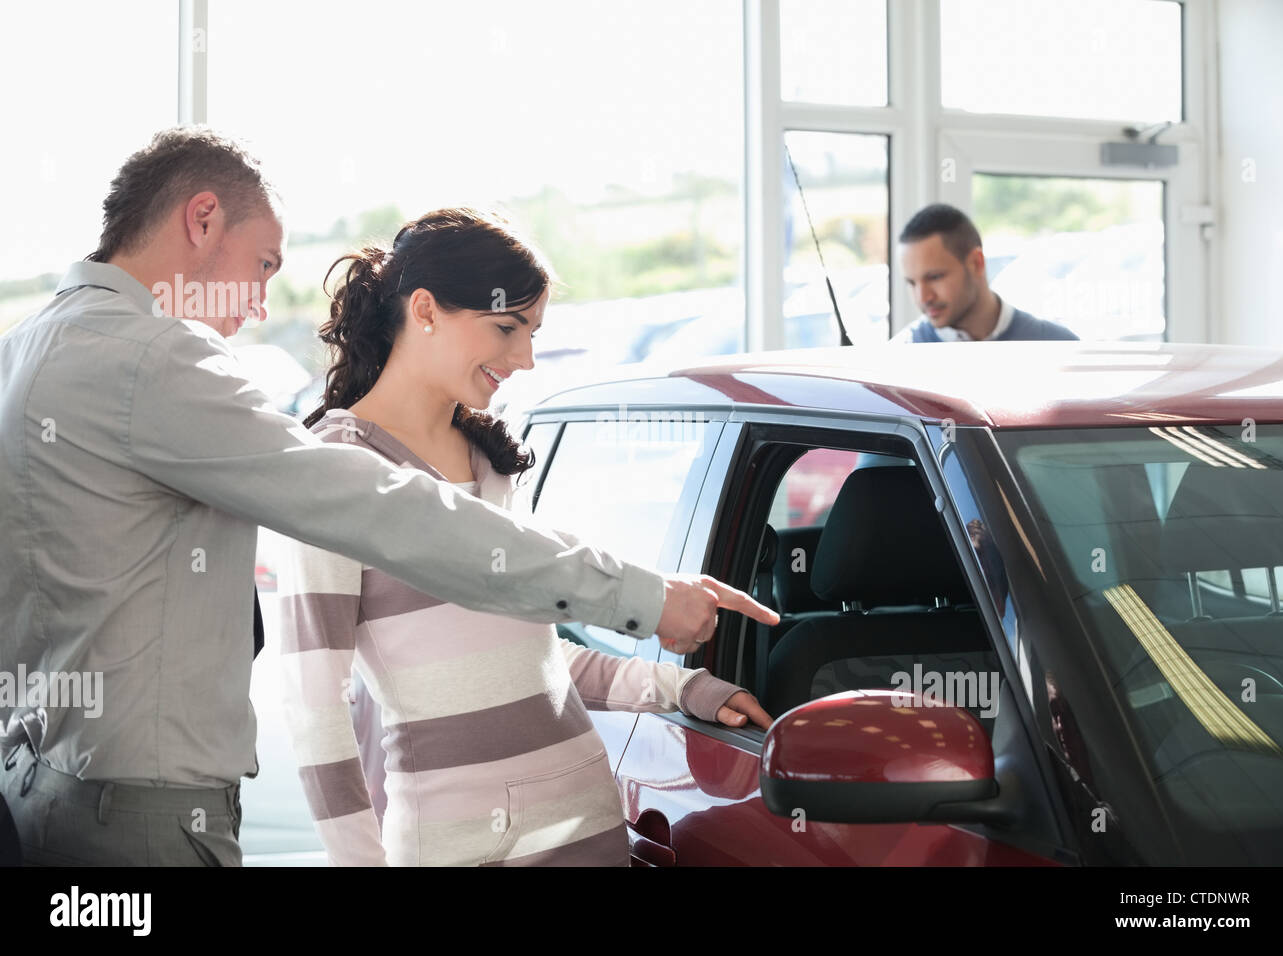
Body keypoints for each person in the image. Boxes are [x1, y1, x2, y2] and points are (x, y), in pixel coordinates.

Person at [0, 127, 778, 867]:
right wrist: (641, 595)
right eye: (265, 264)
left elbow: (518, 651)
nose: (263, 304)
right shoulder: (150, 364)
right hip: (140, 815)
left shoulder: (27, 349)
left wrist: (679, 682)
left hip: (46, 779)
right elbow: (382, 512)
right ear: (202, 219)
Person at [279, 209, 770, 865]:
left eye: (532, 332)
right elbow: (315, 709)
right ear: (425, 310)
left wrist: (686, 690)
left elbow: (531, 661)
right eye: (509, 328)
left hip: (586, 822)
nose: (526, 357)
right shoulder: (337, 472)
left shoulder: (489, 460)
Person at [890, 203, 1079, 343]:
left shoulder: (1056, 347)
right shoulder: (901, 359)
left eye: (935, 277)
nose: (923, 297)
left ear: (976, 263)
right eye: (912, 283)